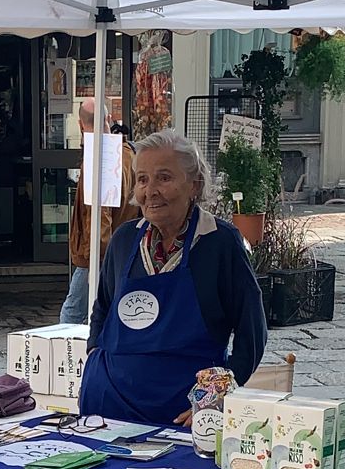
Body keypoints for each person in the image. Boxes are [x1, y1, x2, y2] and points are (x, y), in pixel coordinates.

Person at [80, 130, 267, 427]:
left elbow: (252, 331)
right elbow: (102, 306)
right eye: (142, 179)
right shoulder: (125, 239)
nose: (150, 190)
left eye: (163, 178)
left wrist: (213, 399)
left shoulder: (219, 242)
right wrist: (93, 355)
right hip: (107, 404)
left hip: (183, 413)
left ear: (194, 185)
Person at [60, 106, 138, 324]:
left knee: (72, 314)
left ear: (79, 124)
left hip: (99, 252)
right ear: (109, 118)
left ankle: (67, 358)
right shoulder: (127, 152)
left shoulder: (101, 158)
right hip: (121, 246)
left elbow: (99, 214)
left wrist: (95, 256)